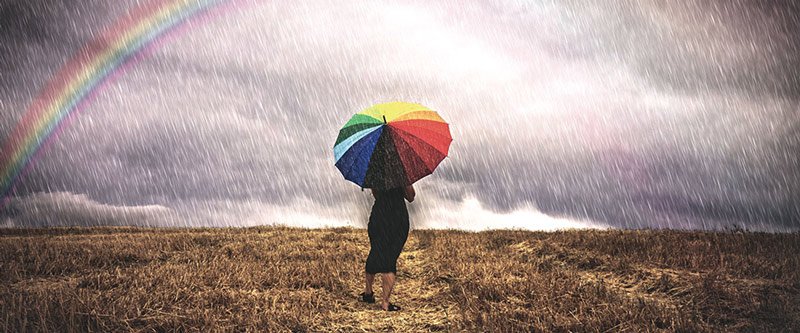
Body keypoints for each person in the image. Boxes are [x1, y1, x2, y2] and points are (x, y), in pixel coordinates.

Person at [359, 184, 415, 311]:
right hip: (397, 216)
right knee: (390, 258)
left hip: (379, 214)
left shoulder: (375, 170)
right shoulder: (401, 171)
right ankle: (385, 302)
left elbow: (376, 194)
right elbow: (411, 197)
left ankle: (368, 293)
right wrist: (404, 181)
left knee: (375, 252)